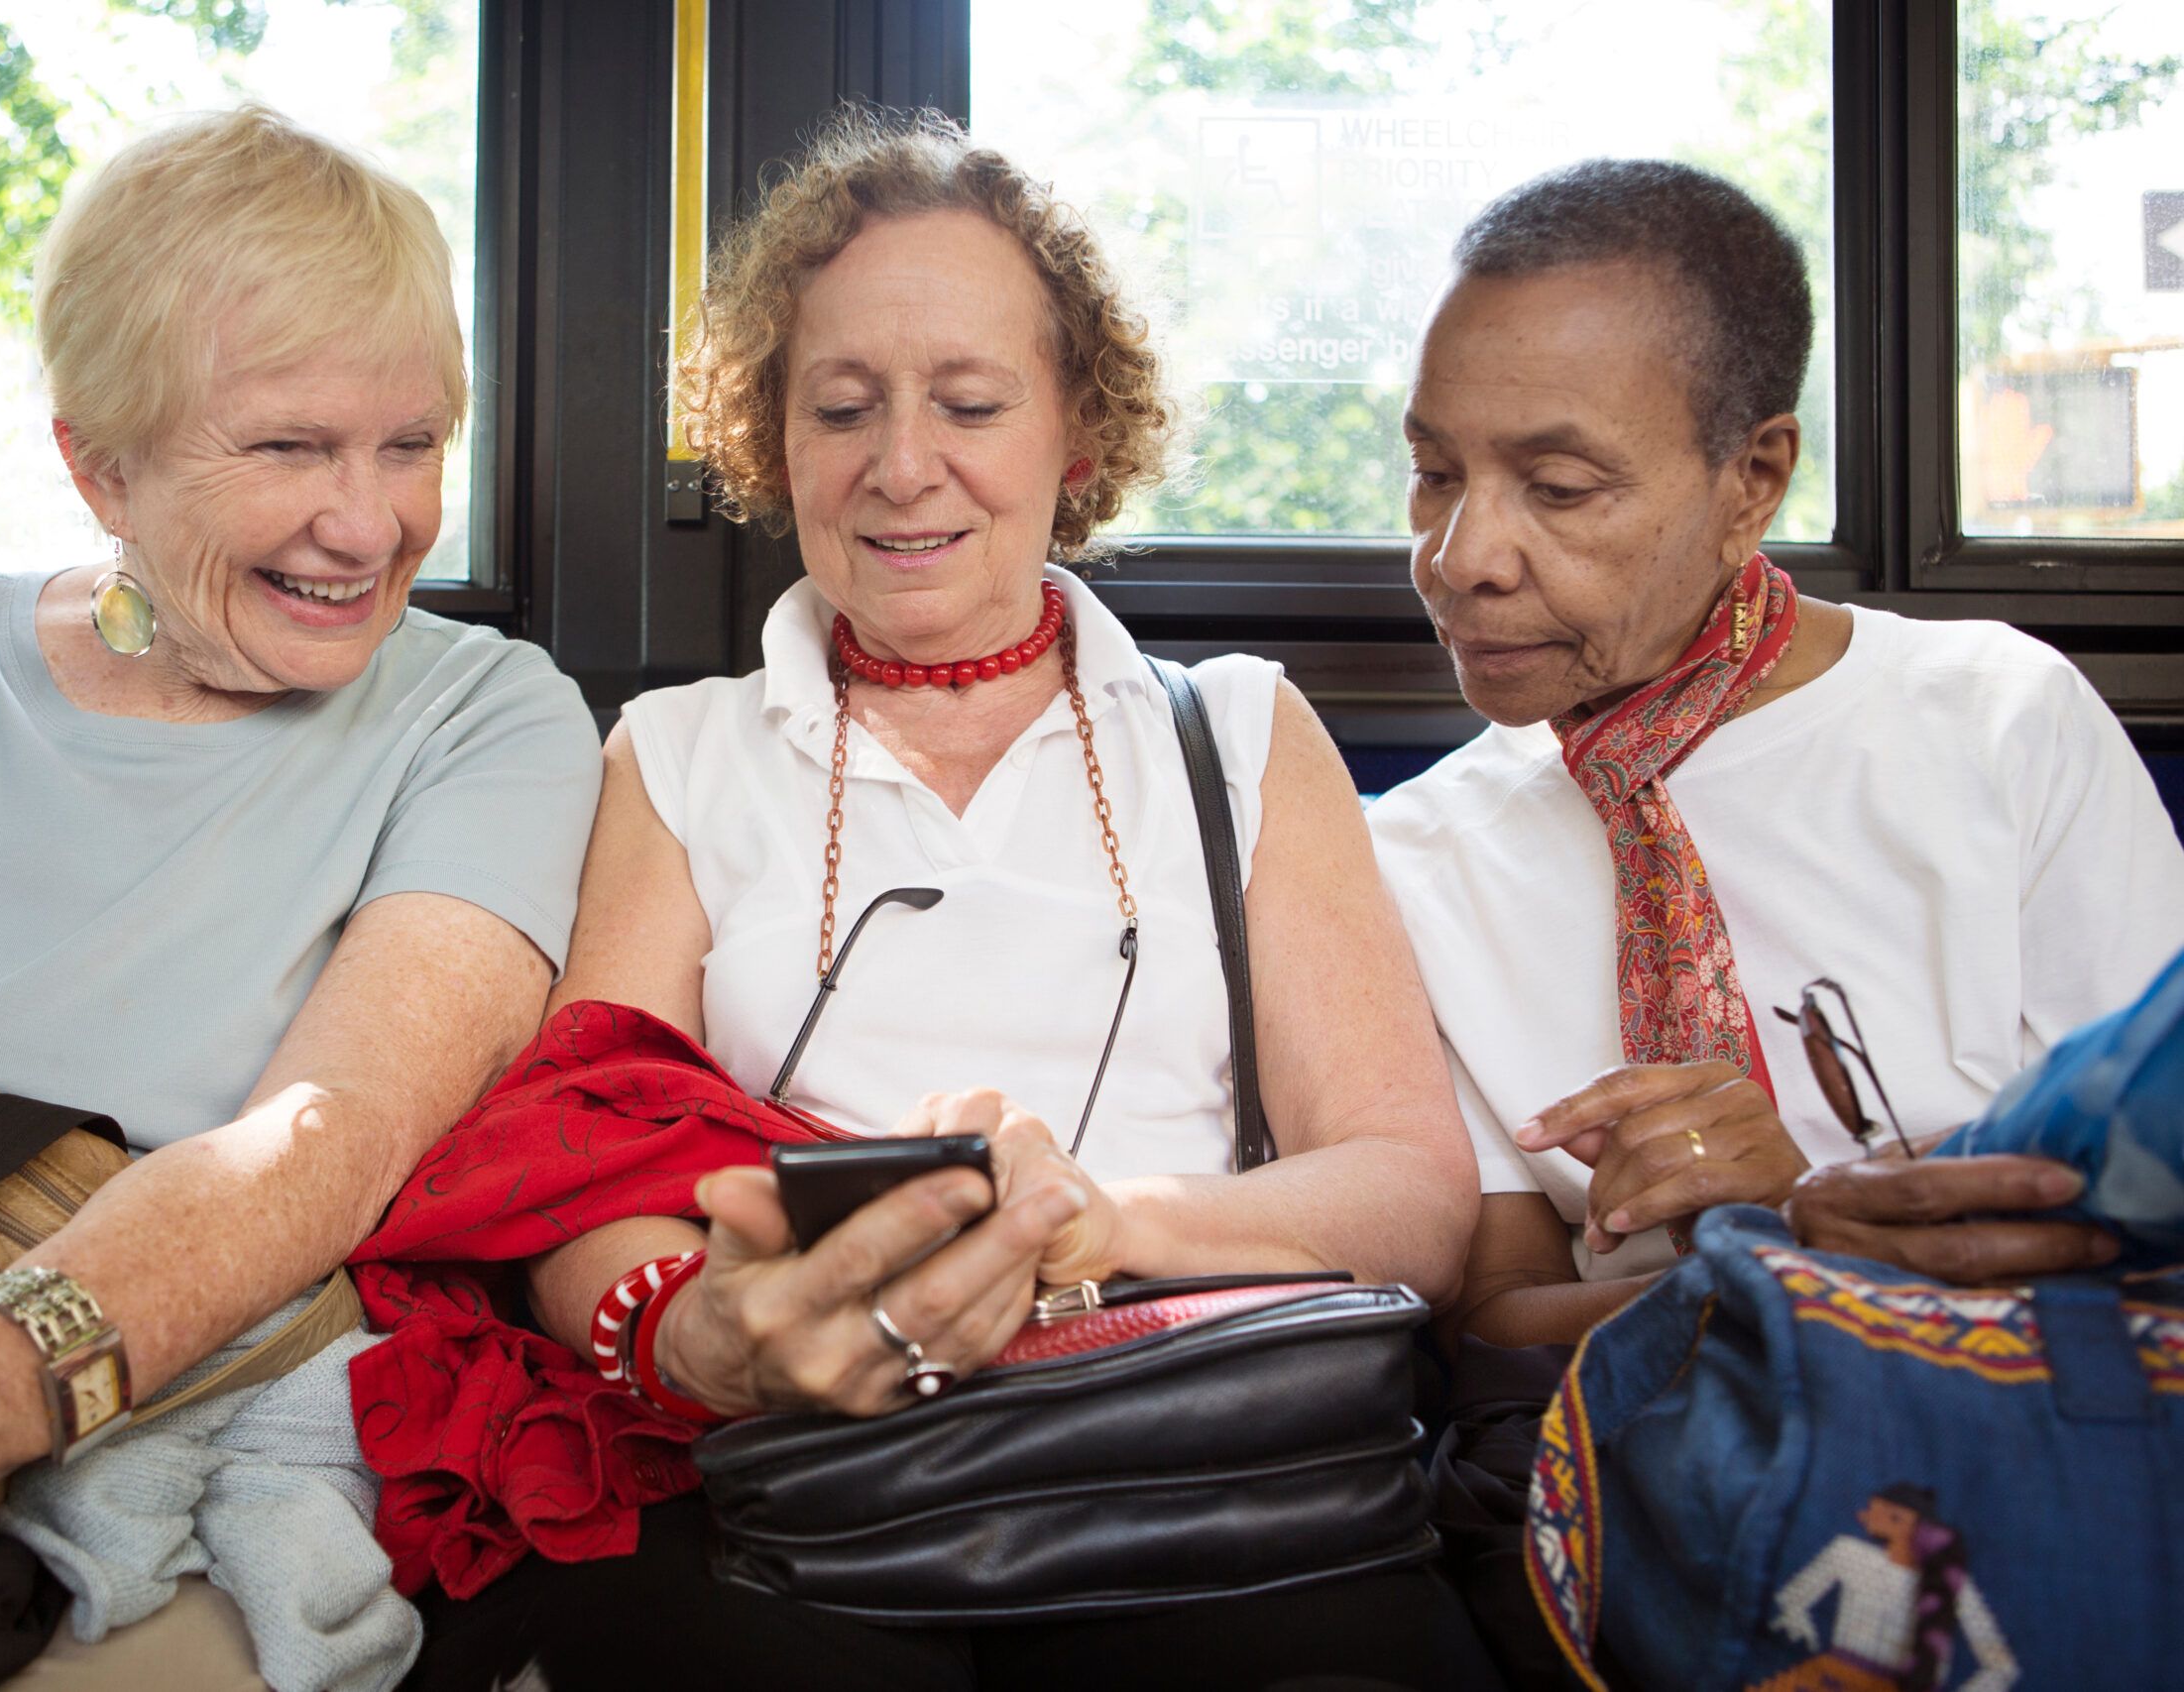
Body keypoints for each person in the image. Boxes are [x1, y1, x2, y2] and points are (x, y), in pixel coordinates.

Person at [370, 108, 1498, 1691]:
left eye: (970, 403)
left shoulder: (1242, 729)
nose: (902, 466)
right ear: (774, 438)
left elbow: (1414, 1196)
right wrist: (695, 1327)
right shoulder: (674, 752)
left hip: (1193, 1462)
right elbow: (573, 1160)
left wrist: (1102, 1226)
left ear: (1077, 433)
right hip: (809, 1481)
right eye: (842, 408)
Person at [0, 104, 600, 1672]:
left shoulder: (487, 714)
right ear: (99, 463)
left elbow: (330, 1143)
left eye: (413, 443)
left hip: (148, 1377)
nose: (369, 524)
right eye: (288, 446)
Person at [1364, 157, 2184, 1344]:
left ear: (1751, 481)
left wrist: (1802, 1213)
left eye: (1558, 487)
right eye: (1433, 475)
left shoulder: (1999, 720)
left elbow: (2146, 1187)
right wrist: (1782, 1251)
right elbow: (1487, 1329)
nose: (1459, 557)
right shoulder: (1411, 857)